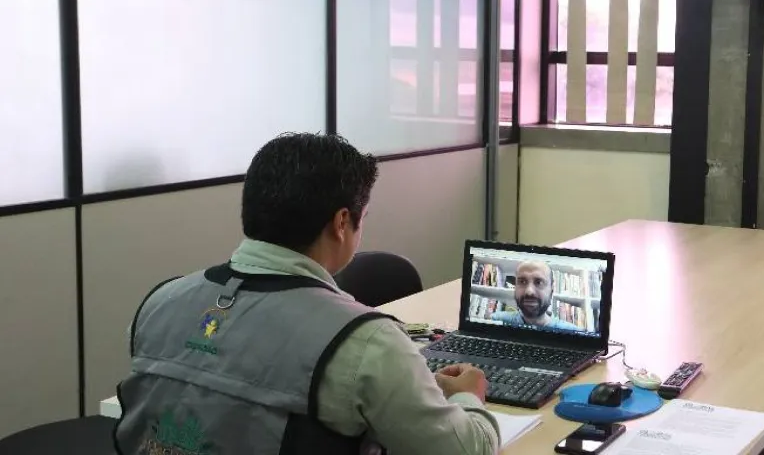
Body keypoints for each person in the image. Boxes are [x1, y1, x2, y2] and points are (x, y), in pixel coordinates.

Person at [112, 133, 499, 455]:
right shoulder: (368, 342)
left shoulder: (160, 302)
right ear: (342, 222)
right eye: (363, 218)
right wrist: (468, 398)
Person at [488, 260, 582, 331]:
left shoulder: (573, 333)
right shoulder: (495, 321)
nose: (529, 291)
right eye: (522, 281)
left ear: (552, 289)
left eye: (539, 282)